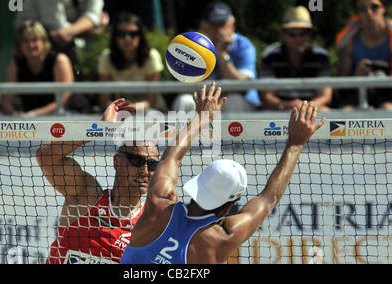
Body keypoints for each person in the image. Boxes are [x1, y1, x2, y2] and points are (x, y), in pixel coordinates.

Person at [121, 82, 326, 264]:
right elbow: (269, 197)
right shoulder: (221, 236)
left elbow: (171, 158)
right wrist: (296, 143)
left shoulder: (159, 203)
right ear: (229, 205)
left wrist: (201, 117)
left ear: (198, 182)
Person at [37, 98, 160, 264]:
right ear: (117, 162)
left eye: (152, 164)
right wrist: (99, 129)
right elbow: (46, 156)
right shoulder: (87, 197)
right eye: (137, 161)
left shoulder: (150, 225)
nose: (145, 171)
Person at [172, 3, 260, 112]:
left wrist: (222, 52)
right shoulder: (195, 45)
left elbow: (242, 85)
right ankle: (188, 130)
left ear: (233, 24)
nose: (219, 29)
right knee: (184, 101)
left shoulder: (244, 45)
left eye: (222, 23)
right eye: (213, 24)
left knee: (233, 100)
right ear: (204, 26)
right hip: (204, 97)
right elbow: (183, 85)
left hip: (240, 99)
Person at [259, 5, 333, 111]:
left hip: (312, 109)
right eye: (292, 34)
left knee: (327, 112)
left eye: (303, 33)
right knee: (267, 115)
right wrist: (285, 105)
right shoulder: (270, 56)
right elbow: (267, 96)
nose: (298, 38)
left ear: (310, 34)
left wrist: (305, 107)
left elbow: (325, 96)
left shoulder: (321, 57)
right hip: (280, 109)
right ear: (283, 34)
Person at [2, 21, 74, 117]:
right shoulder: (16, 63)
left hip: (65, 119)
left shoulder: (60, 60)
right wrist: (14, 114)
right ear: (20, 45)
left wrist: (33, 114)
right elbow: (7, 101)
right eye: (26, 41)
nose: (31, 45)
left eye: (35, 40)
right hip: (29, 122)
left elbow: (64, 100)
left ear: (44, 41)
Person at [97, 12, 166, 112]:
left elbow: (151, 100)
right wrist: (119, 109)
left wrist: (131, 107)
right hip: (119, 111)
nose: (127, 39)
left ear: (140, 36)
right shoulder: (106, 57)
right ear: (115, 37)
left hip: (151, 112)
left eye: (133, 34)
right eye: (121, 34)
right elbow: (103, 101)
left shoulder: (151, 56)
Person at [15, 0, 109, 68]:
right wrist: (92, 29)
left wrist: (79, 29)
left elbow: (93, 15)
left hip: (63, 46)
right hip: (33, 49)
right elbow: (60, 32)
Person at [336, 0, 392, 110]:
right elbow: (341, 86)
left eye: (374, 6)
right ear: (358, 13)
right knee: (345, 112)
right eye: (362, 8)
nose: (369, 12)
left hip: (389, 94)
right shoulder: (349, 42)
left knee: (388, 109)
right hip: (357, 93)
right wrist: (356, 76)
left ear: (383, 8)